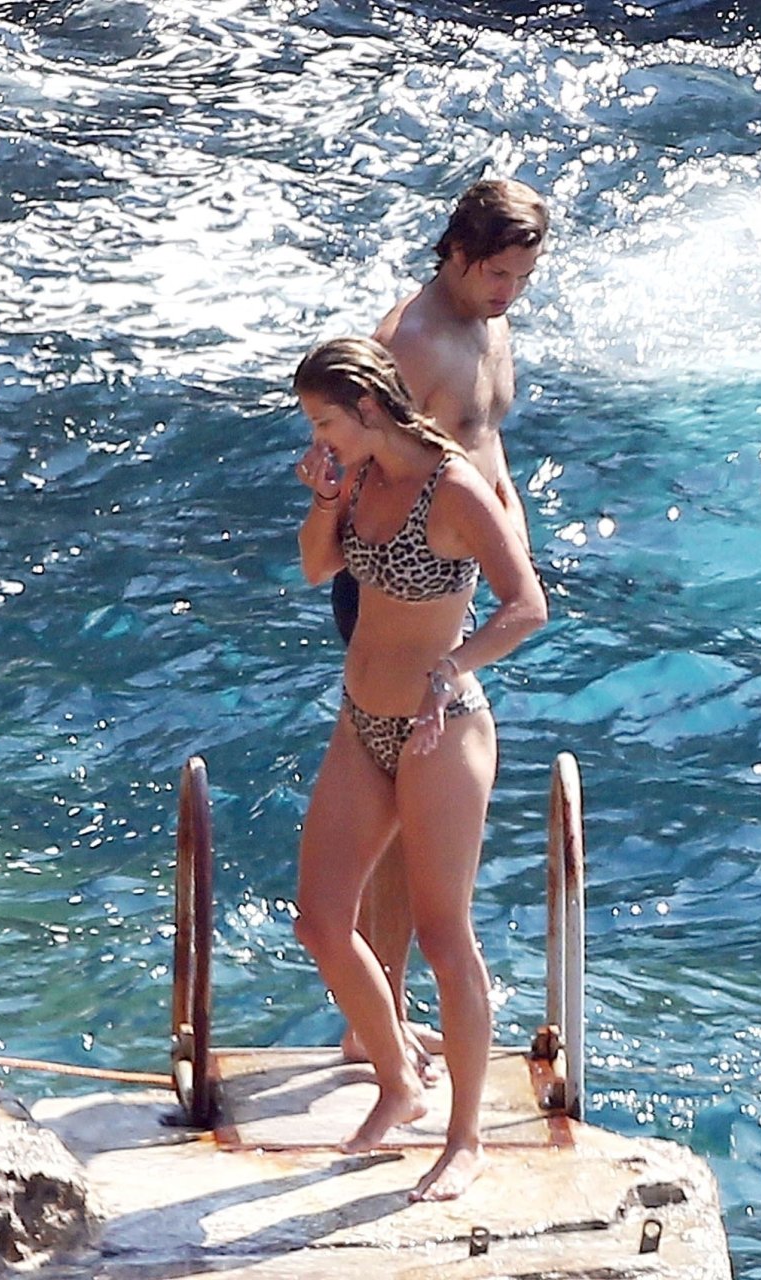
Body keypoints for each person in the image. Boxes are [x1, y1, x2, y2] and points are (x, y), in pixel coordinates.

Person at [293, 337, 547, 1200]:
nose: (319, 439)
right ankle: (397, 1078)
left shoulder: (454, 485)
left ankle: (464, 1139)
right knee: (320, 921)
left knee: (443, 937)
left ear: (367, 408)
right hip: (360, 720)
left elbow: (527, 605)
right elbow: (318, 566)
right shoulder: (360, 476)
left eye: (325, 422)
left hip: (443, 732)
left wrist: (453, 666)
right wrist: (326, 494)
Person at [332, 178, 549, 1068]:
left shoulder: (490, 323)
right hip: (402, 586)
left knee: (415, 795)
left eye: (523, 277)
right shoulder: (409, 341)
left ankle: (378, 1015)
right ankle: (373, 1018)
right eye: (498, 274)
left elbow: (485, 443)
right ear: (456, 252)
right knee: (394, 797)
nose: (510, 292)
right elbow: (349, 454)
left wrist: (510, 536)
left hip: (461, 571)